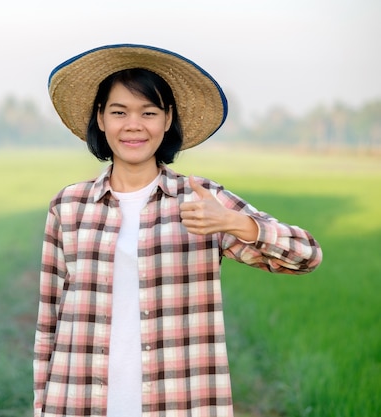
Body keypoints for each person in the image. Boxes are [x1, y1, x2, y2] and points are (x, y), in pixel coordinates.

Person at [33, 44, 322, 417]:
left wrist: (233, 222)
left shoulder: (202, 200)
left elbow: (307, 257)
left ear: (167, 120)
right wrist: (43, 406)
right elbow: (48, 325)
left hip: (181, 401)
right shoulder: (69, 206)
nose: (133, 125)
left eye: (148, 113)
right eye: (119, 112)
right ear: (101, 119)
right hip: (80, 400)